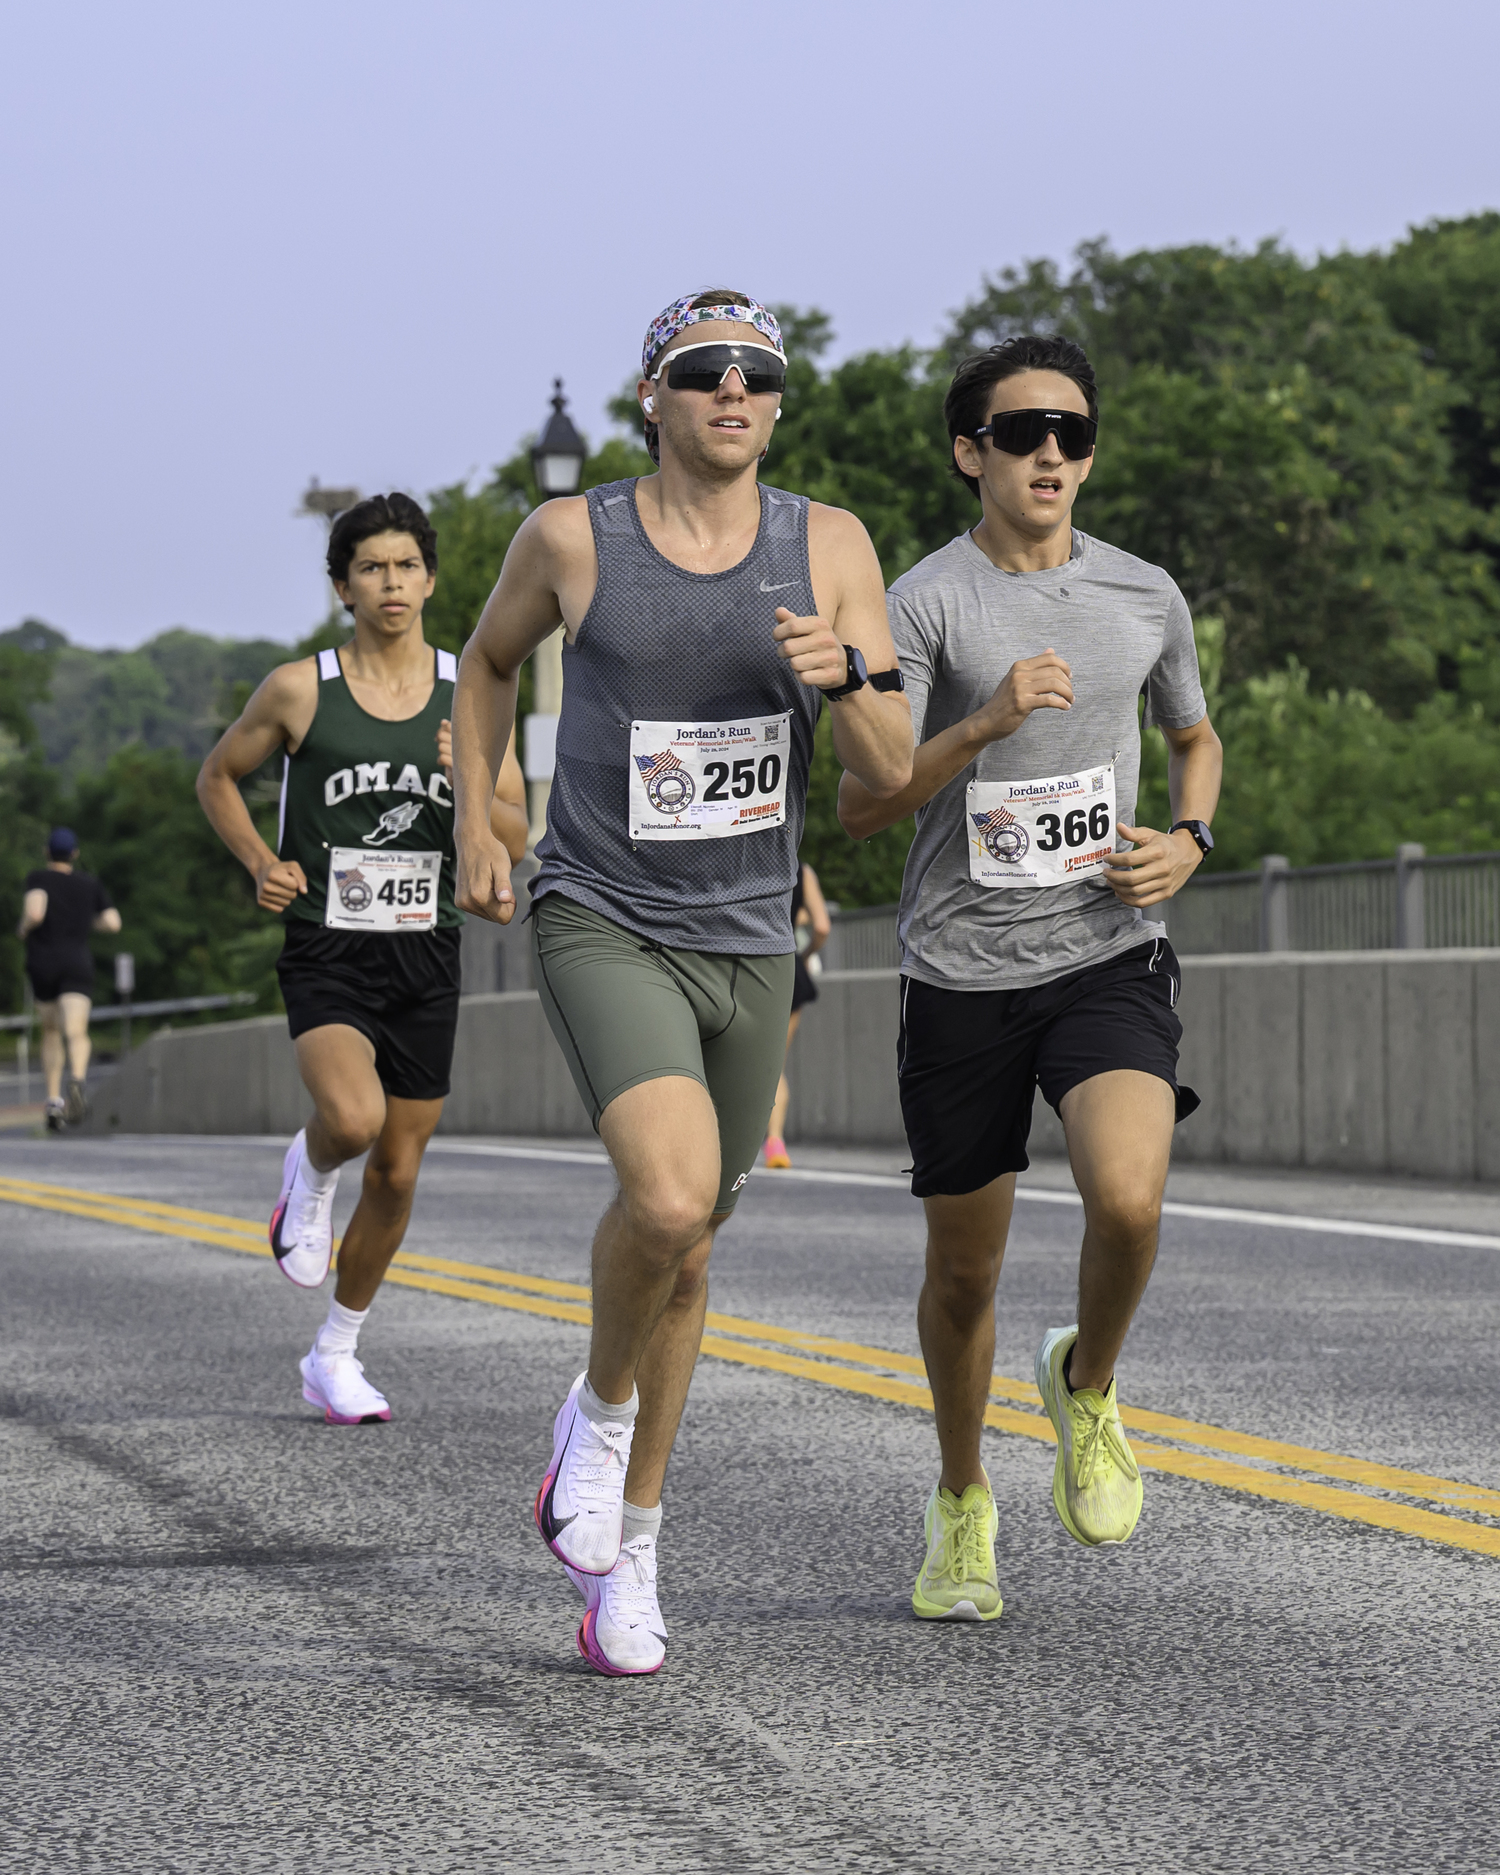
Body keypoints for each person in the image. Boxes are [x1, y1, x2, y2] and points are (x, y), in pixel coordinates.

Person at [451, 288, 913, 1675]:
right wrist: (484, 804)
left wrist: (849, 681)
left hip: (752, 932)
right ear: (651, 394)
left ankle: (633, 1550)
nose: (734, 391)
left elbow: (890, 771)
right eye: (703, 370)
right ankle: (591, 1420)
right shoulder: (570, 537)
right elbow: (483, 664)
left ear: (779, 402)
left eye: (759, 374)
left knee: (697, 1242)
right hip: (604, 909)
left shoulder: (827, 544)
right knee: (660, 1195)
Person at [839, 335, 1223, 1621]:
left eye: (1070, 432)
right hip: (959, 971)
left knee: (1128, 1200)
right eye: (1020, 433)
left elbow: (1195, 734)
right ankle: (961, 1503)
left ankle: (1090, 1385)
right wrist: (986, 723)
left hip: (1107, 950)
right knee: (965, 1276)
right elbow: (858, 802)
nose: (1050, 452)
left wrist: (1189, 839)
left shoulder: (1142, 594)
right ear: (972, 454)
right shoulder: (926, 602)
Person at [198, 492, 528, 1425]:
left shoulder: (469, 687)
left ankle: (335, 1353)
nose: (392, 583)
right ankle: (306, 1173)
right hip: (328, 945)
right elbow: (219, 776)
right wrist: (263, 861)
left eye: (407, 566)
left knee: (399, 1169)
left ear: (430, 577)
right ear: (343, 585)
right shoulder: (301, 688)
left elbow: (514, 823)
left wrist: (465, 769)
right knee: (351, 1117)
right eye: (371, 568)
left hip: (428, 950)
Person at [18, 828, 121, 1130]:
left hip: (44, 961)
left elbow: (35, 912)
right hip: (77, 962)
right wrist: (83, 917)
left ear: (46, 853)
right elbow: (113, 922)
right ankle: (76, 1079)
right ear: (75, 854)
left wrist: (23, 929)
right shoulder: (89, 884)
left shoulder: (39, 878)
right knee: (76, 1031)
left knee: (51, 1031)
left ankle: (53, 1102)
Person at [762, 857, 831, 1168]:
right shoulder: (802, 870)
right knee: (773, 1064)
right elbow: (822, 926)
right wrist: (804, 956)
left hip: (740, 965)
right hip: (786, 968)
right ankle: (775, 1141)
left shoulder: (743, 858)